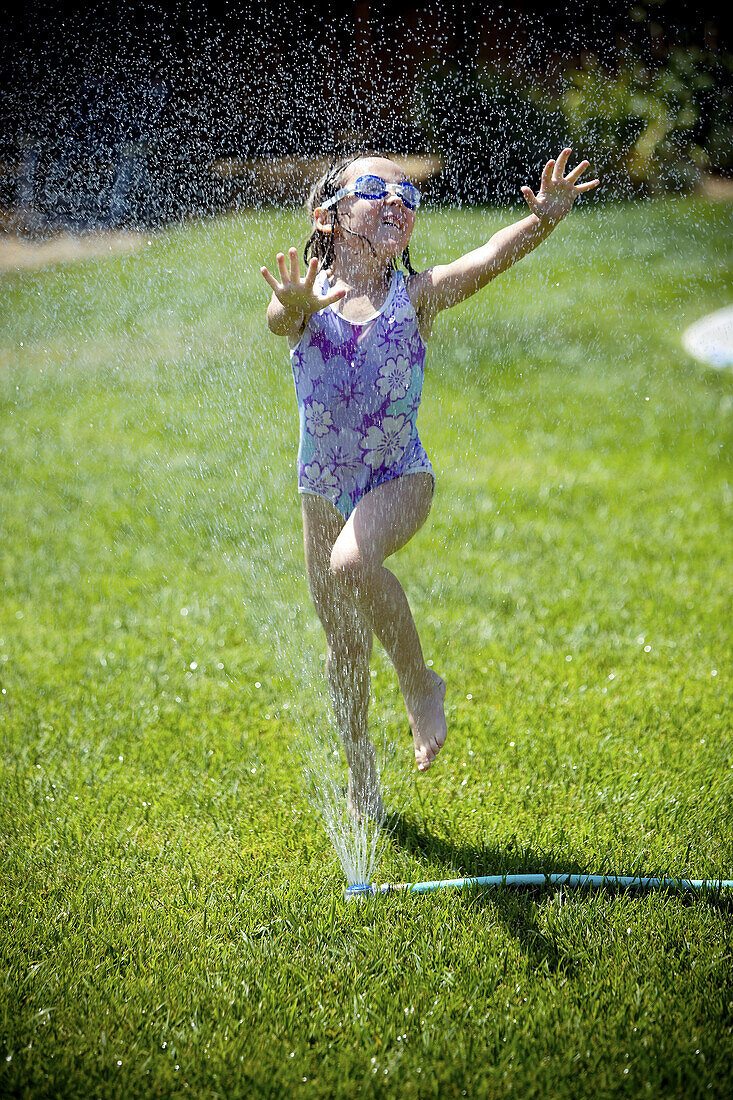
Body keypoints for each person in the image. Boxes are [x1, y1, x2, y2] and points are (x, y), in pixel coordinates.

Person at [261, 149, 599, 821]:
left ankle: (419, 683)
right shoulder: (306, 299)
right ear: (326, 217)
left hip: (399, 477)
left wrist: (544, 223)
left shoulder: (415, 298)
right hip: (320, 490)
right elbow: (279, 321)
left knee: (353, 564)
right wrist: (290, 306)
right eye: (374, 188)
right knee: (342, 647)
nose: (395, 199)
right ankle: (362, 778)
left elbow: (488, 256)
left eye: (408, 193)